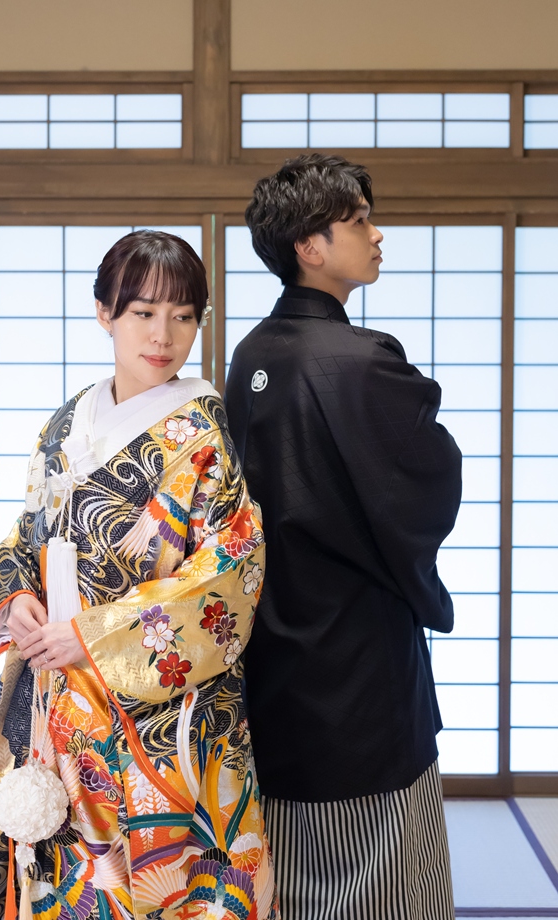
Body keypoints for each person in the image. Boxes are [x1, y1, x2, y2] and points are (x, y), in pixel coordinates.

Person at [0, 231, 278, 920]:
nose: (164, 335)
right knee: (65, 879)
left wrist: (97, 634)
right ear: (105, 313)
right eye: (143, 312)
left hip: (163, 718)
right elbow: (26, 533)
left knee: (166, 886)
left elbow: (228, 572)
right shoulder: (65, 423)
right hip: (58, 699)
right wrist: (16, 596)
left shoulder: (202, 436)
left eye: (184, 315)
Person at [224, 155, 462, 920]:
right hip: (360, 666)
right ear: (309, 247)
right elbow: (428, 484)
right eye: (358, 220)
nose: (376, 233)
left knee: (289, 878)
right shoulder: (361, 360)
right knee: (386, 883)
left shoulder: (249, 355)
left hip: (272, 654)